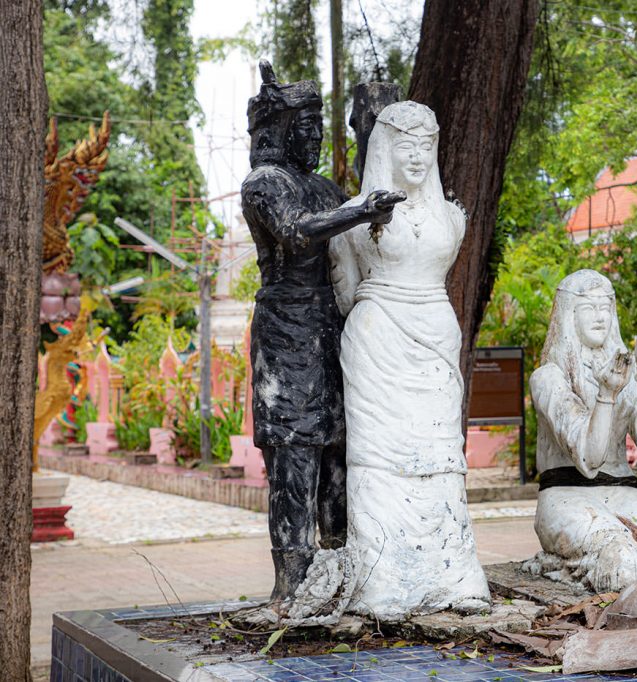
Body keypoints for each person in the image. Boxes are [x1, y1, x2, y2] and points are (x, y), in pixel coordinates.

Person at [240, 61, 403, 605]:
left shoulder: (326, 186)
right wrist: (358, 209)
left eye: (318, 126)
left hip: (329, 329)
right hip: (285, 337)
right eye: (302, 127)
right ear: (278, 131)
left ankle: (337, 573)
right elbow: (296, 233)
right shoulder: (265, 183)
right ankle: (293, 587)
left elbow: (349, 233)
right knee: (294, 456)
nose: (311, 137)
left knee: (337, 450)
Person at [328, 100, 490, 620]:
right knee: (379, 460)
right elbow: (346, 291)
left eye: (426, 145)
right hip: (378, 341)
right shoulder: (355, 216)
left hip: (436, 340)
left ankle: (454, 575)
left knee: (441, 454)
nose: (417, 156)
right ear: (383, 149)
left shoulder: (454, 218)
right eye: (405, 144)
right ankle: (382, 583)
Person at [524, 269, 637, 592]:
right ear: (569, 314)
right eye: (589, 308)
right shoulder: (548, 378)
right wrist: (606, 394)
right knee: (624, 564)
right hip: (567, 495)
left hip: (623, 491)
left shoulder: (622, 370)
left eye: (606, 307)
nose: (600, 317)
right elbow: (589, 459)